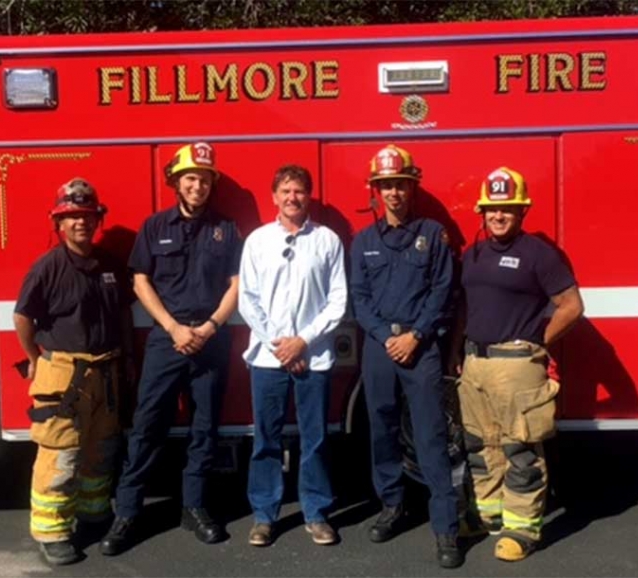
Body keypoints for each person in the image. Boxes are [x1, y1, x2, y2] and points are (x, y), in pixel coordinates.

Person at [100, 142, 241, 556]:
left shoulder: (227, 229)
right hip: (168, 338)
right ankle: (127, 512)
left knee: (205, 428)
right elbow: (140, 281)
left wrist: (213, 324)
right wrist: (173, 327)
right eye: (190, 178)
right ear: (176, 183)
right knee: (147, 425)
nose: (198, 185)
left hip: (211, 338)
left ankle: (195, 508)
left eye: (204, 178)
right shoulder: (154, 227)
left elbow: (237, 284)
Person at [453, 166, 584, 562]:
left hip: (517, 364)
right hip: (474, 363)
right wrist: (455, 352)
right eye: (492, 209)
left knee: (520, 449)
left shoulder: (539, 255)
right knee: (480, 446)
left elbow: (571, 306)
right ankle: (488, 516)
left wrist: (536, 340)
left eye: (507, 208)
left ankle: (522, 529)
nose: (498, 215)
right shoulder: (471, 255)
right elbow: (463, 307)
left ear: (522, 211)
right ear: (481, 212)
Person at [348, 144, 463, 569]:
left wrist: (415, 335)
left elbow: (443, 291)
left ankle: (446, 528)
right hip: (380, 351)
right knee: (381, 431)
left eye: (399, 184)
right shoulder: (363, 242)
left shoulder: (433, 235)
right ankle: (393, 507)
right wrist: (384, 335)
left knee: (432, 437)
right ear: (375, 191)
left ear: (411, 187)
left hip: (422, 349)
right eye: (385, 186)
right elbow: (359, 300)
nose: (393, 193)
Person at [13, 178, 131, 566]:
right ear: (59, 224)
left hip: (106, 371)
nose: (81, 223)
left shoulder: (110, 264)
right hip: (64, 373)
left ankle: (95, 513)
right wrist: (35, 358)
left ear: (97, 220)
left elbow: (125, 312)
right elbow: (23, 316)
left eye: (87, 216)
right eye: (72, 217)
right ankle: (52, 532)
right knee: (60, 456)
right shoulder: (48, 267)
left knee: (101, 450)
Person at [238, 164, 348, 547]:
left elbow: (338, 301)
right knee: (265, 438)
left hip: (313, 358)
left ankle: (316, 513)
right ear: (274, 197)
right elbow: (247, 300)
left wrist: (302, 341)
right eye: (285, 190)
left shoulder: (328, 241)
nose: (292, 197)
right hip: (268, 360)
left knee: (314, 439)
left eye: (299, 191)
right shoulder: (257, 241)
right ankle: (264, 516)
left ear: (308, 196)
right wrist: (280, 345)